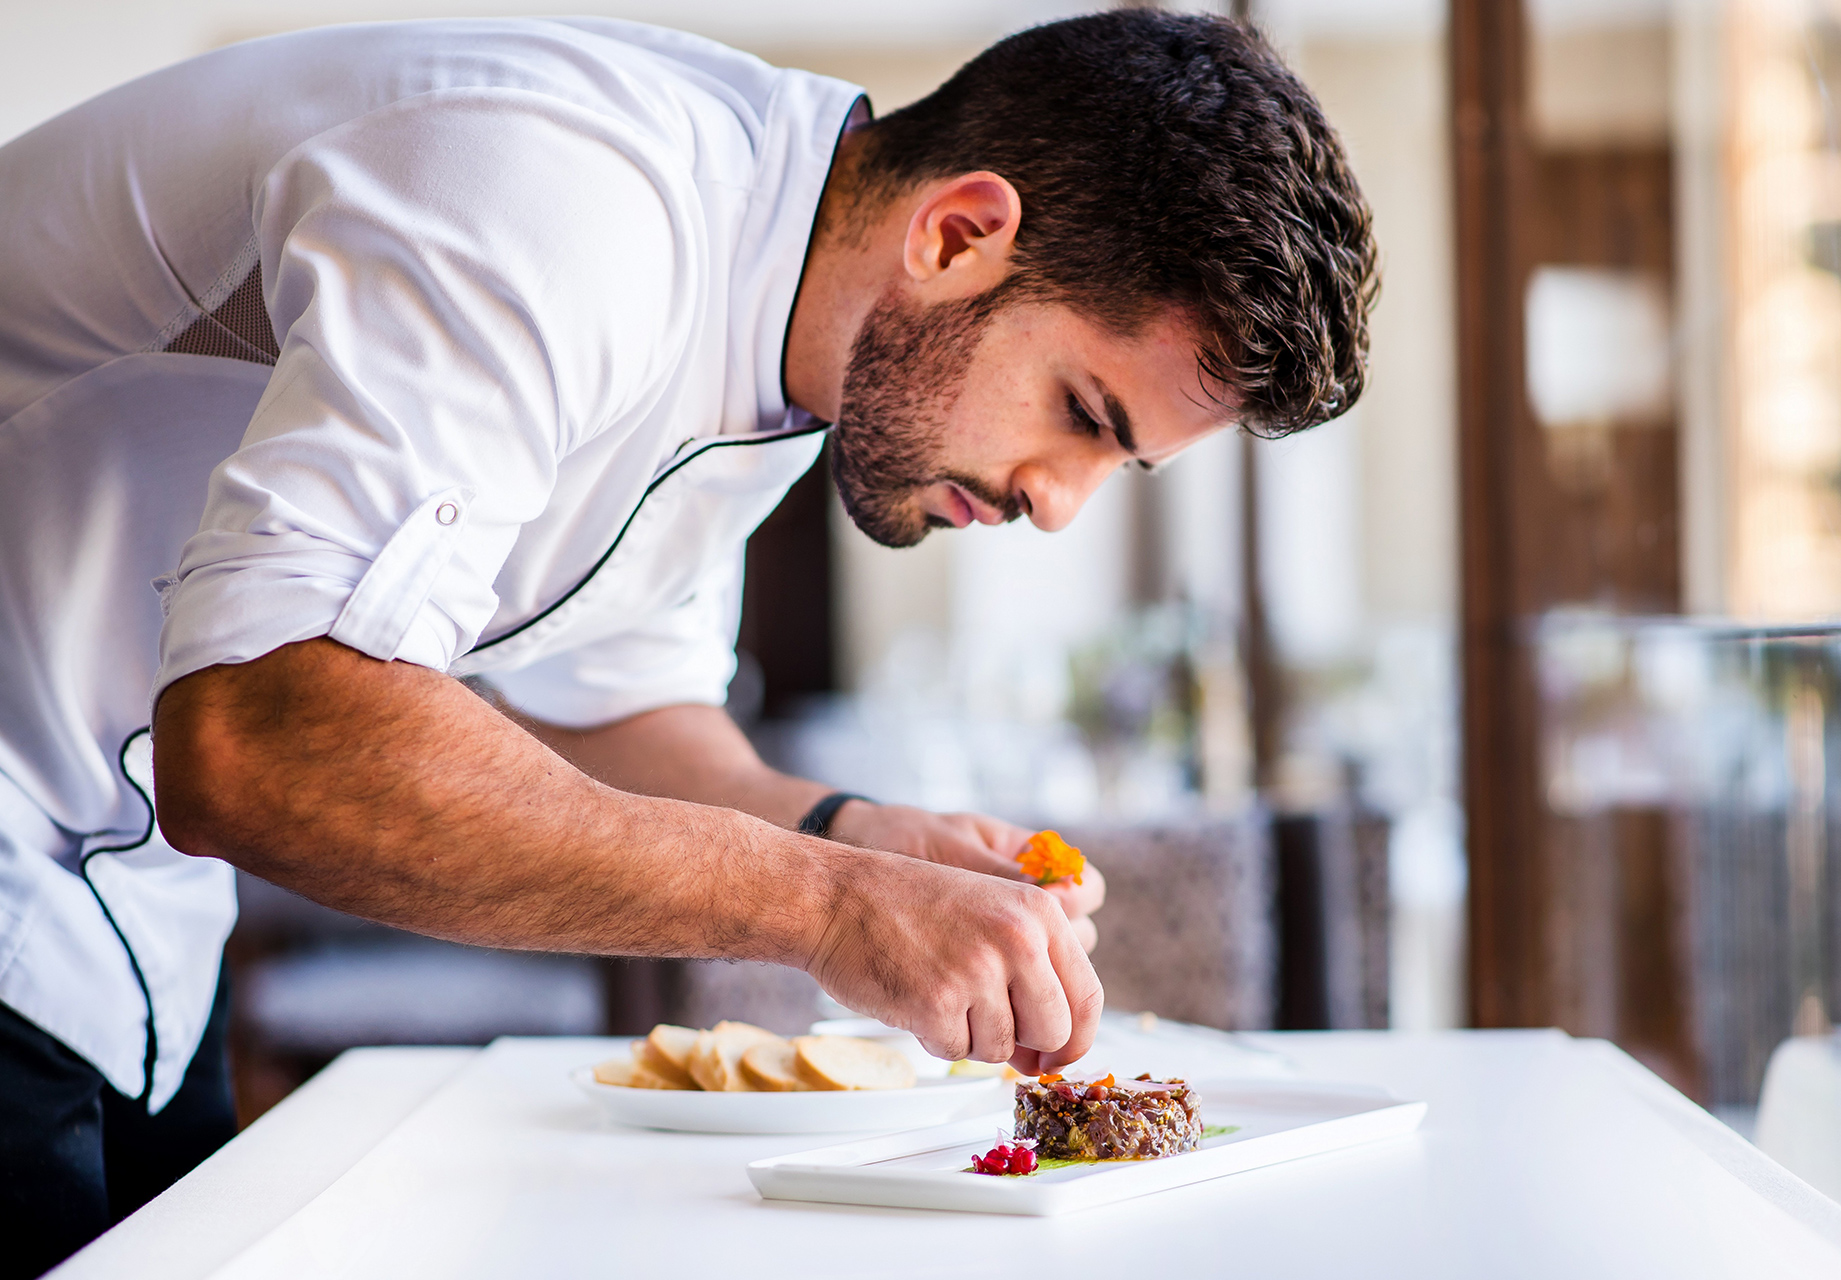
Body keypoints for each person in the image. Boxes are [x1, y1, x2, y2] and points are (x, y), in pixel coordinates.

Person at [0, 8, 1376, 1274]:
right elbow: (259, 743)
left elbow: (607, 710)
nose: (1059, 504)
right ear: (959, 235)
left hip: (124, 924)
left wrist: (851, 836)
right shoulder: (561, 203)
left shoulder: (796, 328)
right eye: (1084, 414)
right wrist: (832, 908)